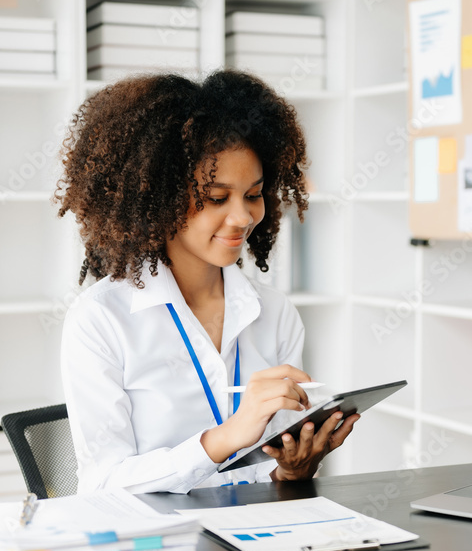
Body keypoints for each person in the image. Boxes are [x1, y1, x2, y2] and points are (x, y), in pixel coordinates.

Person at [54, 70, 358, 494]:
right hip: (159, 546)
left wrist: (292, 468)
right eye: (216, 198)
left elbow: (271, 476)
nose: (243, 217)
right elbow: (103, 482)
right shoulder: (101, 319)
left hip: (258, 539)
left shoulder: (274, 313)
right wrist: (225, 439)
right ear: (158, 198)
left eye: (253, 195)